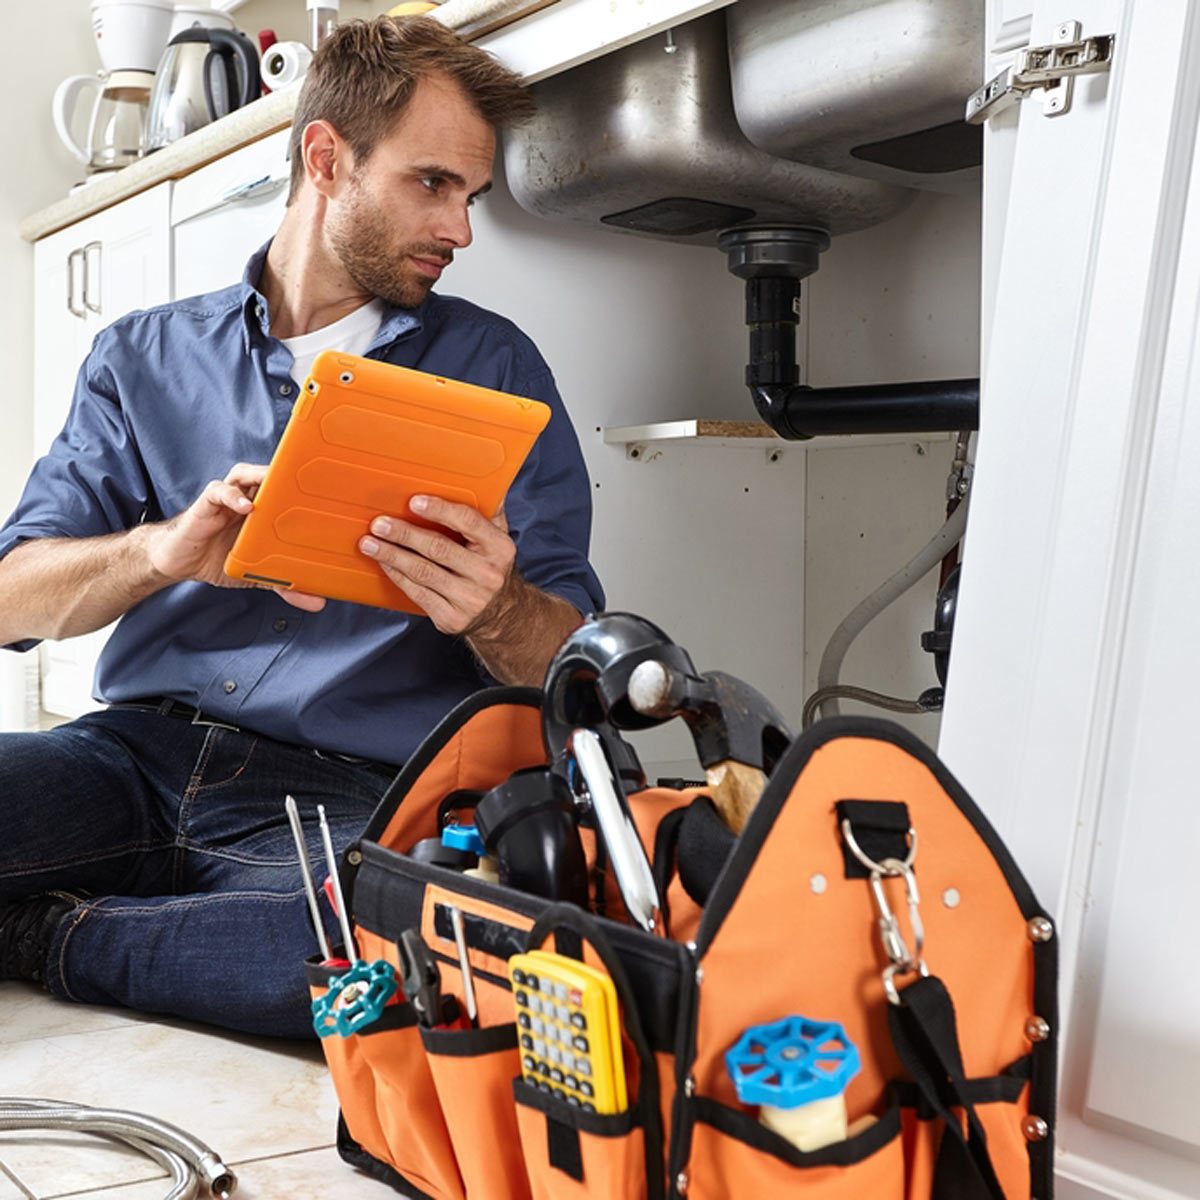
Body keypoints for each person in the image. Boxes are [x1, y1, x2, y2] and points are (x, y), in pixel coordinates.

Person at [0, 16, 603, 1038]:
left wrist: (496, 607)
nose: (459, 230)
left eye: (470, 196)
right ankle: (171, 937)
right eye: (431, 184)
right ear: (327, 159)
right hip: (130, 758)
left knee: (397, 945)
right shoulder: (140, 357)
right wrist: (159, 551)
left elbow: (567, 673)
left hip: (342, 796)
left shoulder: (497, 371)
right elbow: (12, 594)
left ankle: (40, 938)